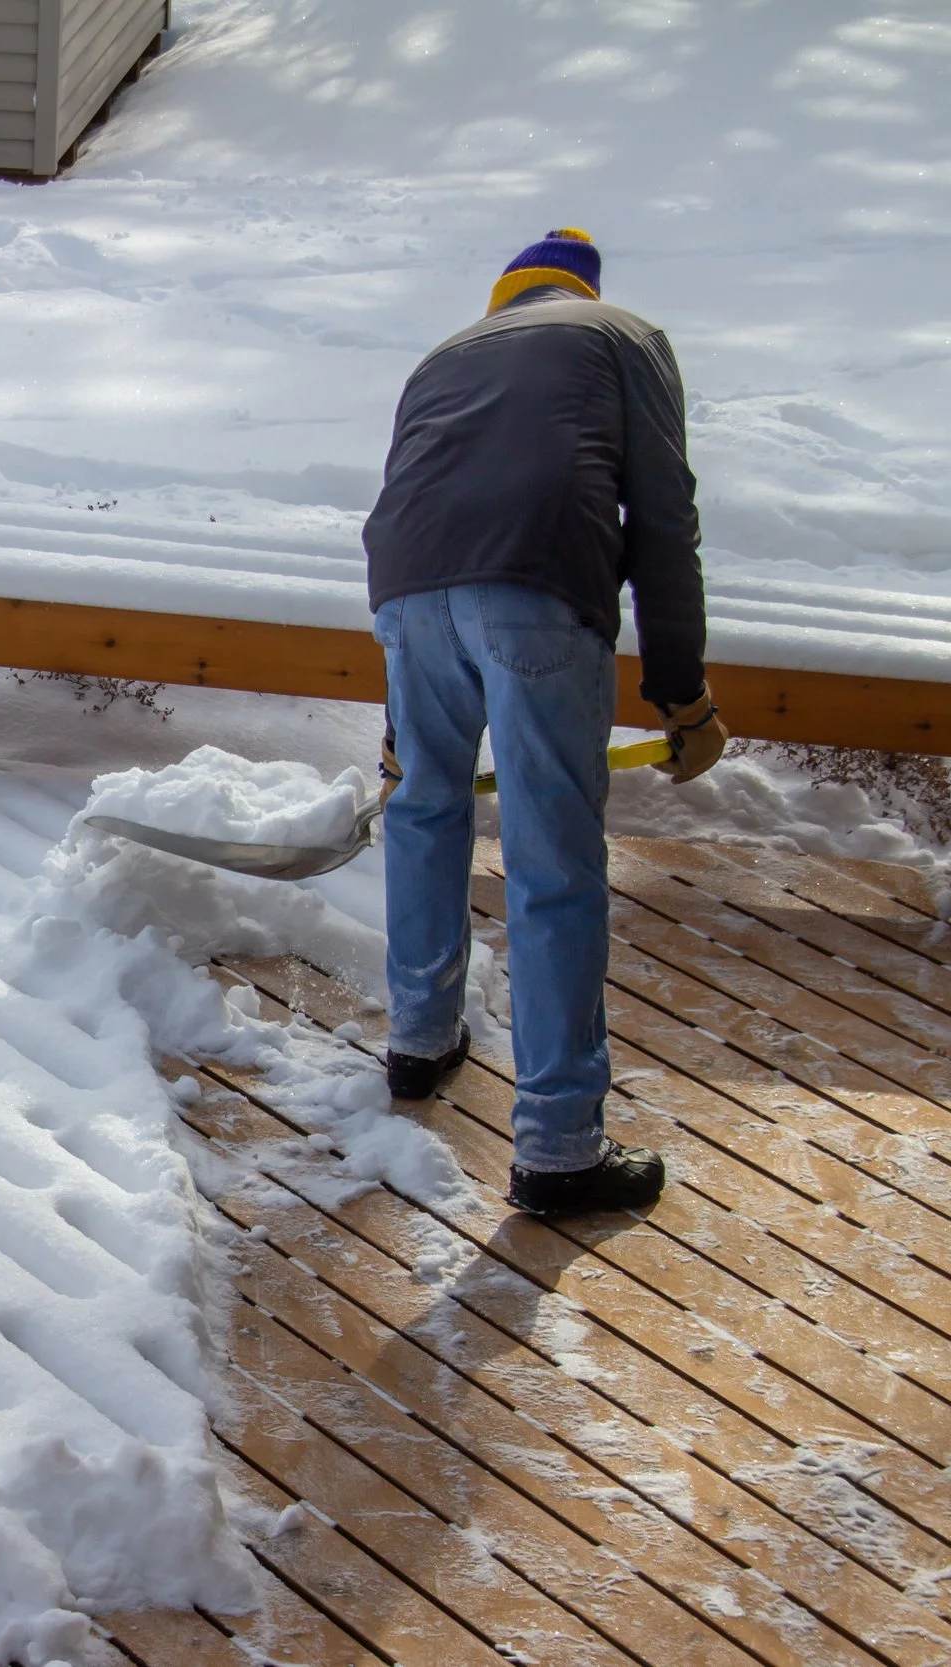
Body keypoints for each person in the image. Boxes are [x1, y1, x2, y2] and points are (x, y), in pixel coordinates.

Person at [360, 228, 727, 1218]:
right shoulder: (622, 334)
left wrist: (400, 720)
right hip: (535, 589)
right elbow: (661, 520)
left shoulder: (444, 357)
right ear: (581, 288)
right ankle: (560, 1146)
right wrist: (683, 695)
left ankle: (418, 1038)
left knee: (426, 812)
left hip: (405, 596)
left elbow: (414, 502)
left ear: (503, 295)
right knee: (549, 856)